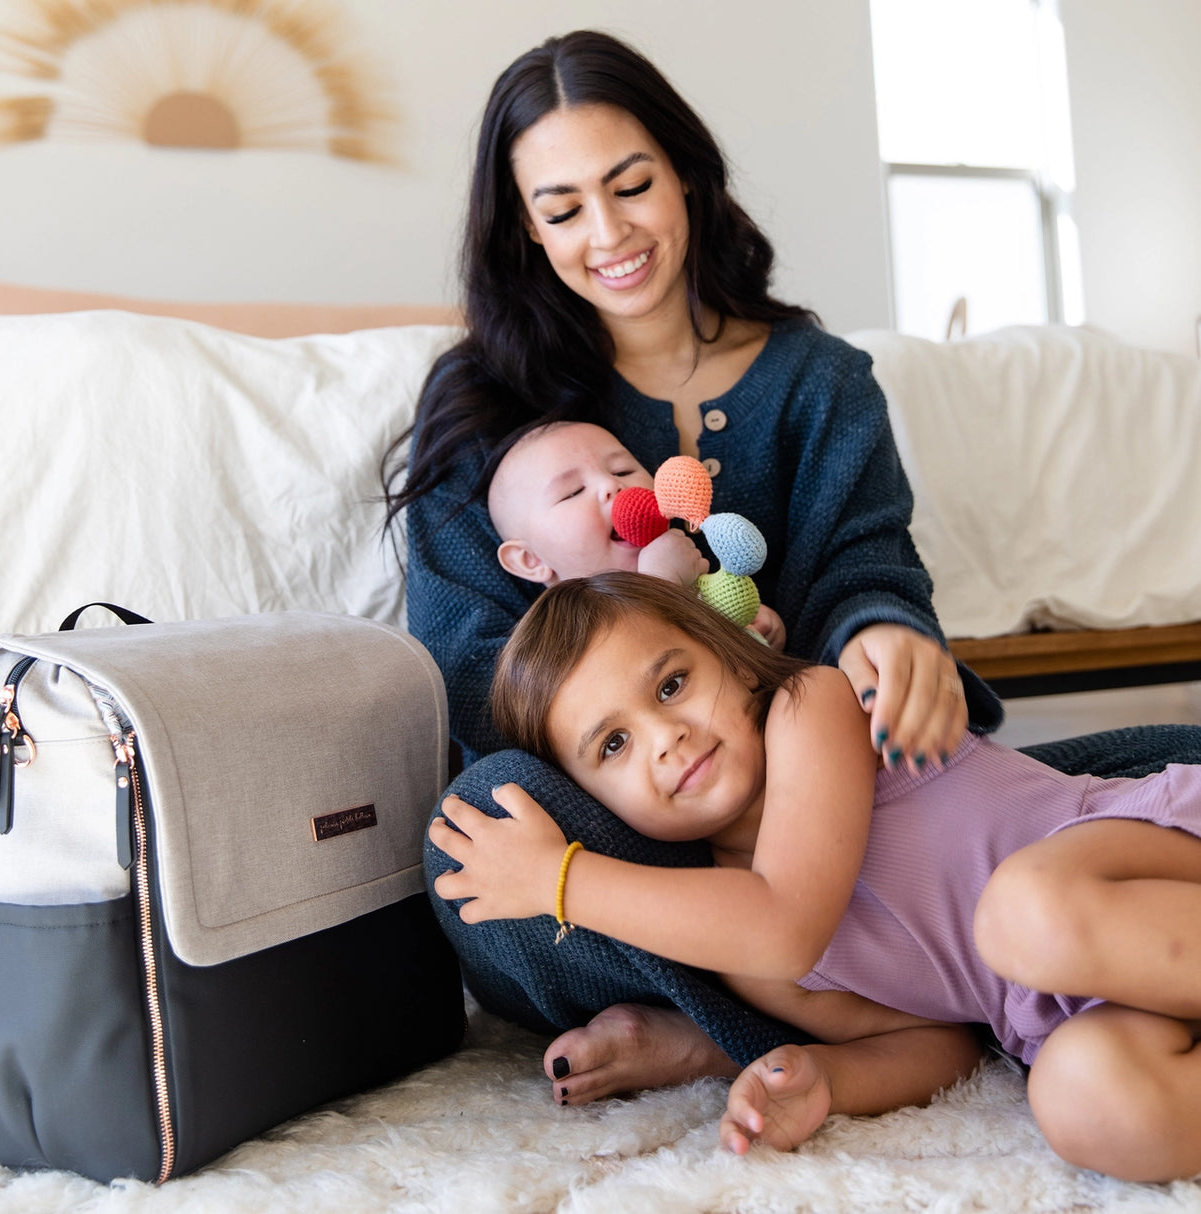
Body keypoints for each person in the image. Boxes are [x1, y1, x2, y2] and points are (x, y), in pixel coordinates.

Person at [389, 29, 1201, 1107]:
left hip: (838, 779)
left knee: (1142, 759)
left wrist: (882, 635)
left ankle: (788, 1003)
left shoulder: (817, 378)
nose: (609, 232)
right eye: (562, 207)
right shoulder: (485, 411)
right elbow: (469, 668)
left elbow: (865, 565)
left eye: (630, 186)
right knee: (484, 814)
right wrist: (645, 675)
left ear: (685, 172)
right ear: (524, 231)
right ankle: (756, 1003)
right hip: (629, 812)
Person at [430, 572, 1201, 1183]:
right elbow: (939, 1042)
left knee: (1024, 915)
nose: (668, 737)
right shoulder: (746, 960)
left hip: (1149, 863)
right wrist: (828, 1078)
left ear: (734, 662)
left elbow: (785, 921)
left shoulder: (813, 707)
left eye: (671, 686)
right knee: (1083, 1102)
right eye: (614, 747)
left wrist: (559, 879)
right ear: (601, 808)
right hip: (1093, 1005)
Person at [487, 418, 784, 645]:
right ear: (530, 559)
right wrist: (661, 584)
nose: (611, 486)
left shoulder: (696, 579)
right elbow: (634, 670)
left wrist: (746, 631)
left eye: (622, 471)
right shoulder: (557, 636)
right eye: (573, 492)